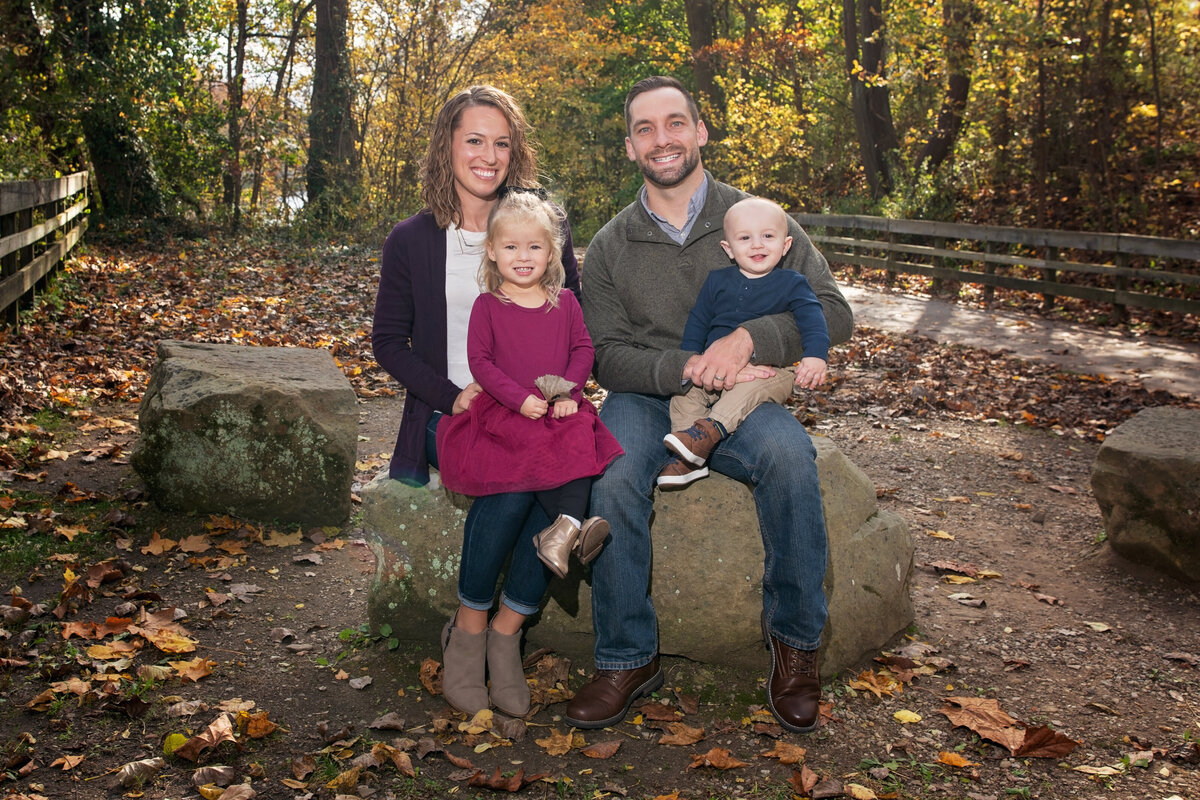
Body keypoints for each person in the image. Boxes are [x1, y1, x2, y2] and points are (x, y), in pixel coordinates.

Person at [569, 76, 853, 734]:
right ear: (631, 146)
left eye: (675, 123)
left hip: (742, 395)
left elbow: (833, 312)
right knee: (610, 478)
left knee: (789, 456)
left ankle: (795, 647)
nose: (661, 139)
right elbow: (604, 352)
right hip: (646, 395)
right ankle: (627, 658)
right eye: (645, 129)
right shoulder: (612, 243)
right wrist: (683, 366)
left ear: (700, 131)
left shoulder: (755, 216)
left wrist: (751, 336)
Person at [371, 86, 581, 718]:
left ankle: (505, 636)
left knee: (561, 471)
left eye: (501, 142)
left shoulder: (542, 229)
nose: (488, 155)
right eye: (474, 140)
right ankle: (468, 632)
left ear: (514, 151)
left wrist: (558, 394)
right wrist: (452, 394)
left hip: (532, 408)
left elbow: (573, 320)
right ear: (448, 147)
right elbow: (388, 342)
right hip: (452, 412)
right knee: (516, 474)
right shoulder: (411, 240)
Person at [436, 188, 623, 578]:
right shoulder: (487, 306)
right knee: (532, 445)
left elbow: (583, 349)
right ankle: (571, 528)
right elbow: (481, 363)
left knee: (576, 439)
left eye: (535, 247)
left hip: (559, 405)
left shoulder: (566, 302)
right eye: (511, 247)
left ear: (551, 253)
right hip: (509, 409)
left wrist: (570, 392)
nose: (523, 257)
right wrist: (519, 400)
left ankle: (563, 529)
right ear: (492, 250)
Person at [658, 195, 830, 489]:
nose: (757, 245)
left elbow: (813, 319)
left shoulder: (792, 283)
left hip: (767, 372)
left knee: (750, 389)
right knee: (684, 397)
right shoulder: (717, 281)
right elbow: (698, 322)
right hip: (715, 370)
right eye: (745, 238)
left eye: (767, 236)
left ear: (785, 245)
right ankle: (688, 459)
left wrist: (815, 355)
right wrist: (692, 361)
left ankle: (709, 431)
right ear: (729, 248)